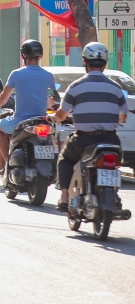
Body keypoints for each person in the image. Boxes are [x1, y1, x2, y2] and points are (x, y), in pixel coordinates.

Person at [50, 42, 129, 212]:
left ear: (84, 62)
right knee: (114, 164)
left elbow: (62, 114)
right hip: (110, 138)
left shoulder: (75, 86)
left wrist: (55, 118)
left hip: (83, 139)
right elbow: (123, 115)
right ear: (105, 63)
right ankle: (114, 194)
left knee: (65, 159)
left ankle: (64, 196)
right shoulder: (116, 88)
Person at [0, 39, 56, 167]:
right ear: (40, 56)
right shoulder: (49, 76)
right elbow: (50, 102)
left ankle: (8, 162)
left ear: (23, 55)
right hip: (41, 121)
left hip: (19, 122)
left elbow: (3, 99)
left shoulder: (16, 74)